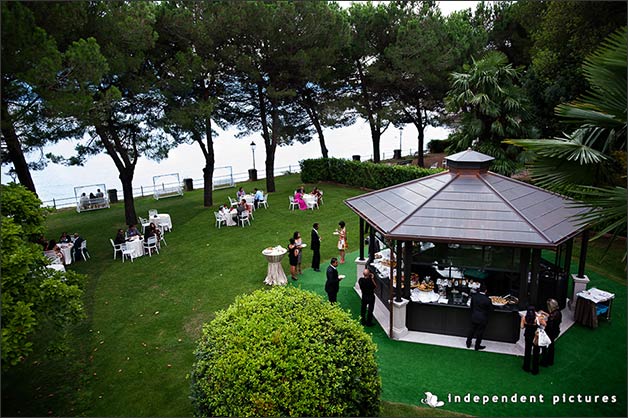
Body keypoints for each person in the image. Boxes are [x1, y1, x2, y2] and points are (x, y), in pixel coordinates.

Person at [466, 283, 493, 351]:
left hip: (474, 316)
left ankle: (468, 343)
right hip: (483, 318)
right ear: (486, 291)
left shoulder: (474, 297)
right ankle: (477, 346)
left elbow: (471, 307)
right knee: (480, 333)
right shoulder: (488, 300)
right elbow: (491, 310)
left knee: (471, 330)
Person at [521, 305, 543, 375]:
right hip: (536, 336)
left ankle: (526, 367)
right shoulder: (537, 318)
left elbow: (522, 327)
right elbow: (544, 324)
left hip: (528, 335)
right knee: (536, 352)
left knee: (527, 350)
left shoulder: (524, 318)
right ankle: (535, 369)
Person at [540, 298, 562, 367]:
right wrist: (545, 313)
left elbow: (548, 324)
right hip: (555, 331)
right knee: (551, 346)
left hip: (550, 333)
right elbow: (551, 316)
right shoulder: (558, 312)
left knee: (544, 347)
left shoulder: (552, 316)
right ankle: (550, 360)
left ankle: (544, 362)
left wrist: (542, 321)